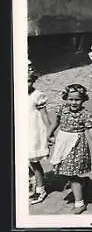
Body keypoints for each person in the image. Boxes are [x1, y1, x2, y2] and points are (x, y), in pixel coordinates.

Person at [47, 84, 92, 214]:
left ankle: (80, 203)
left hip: (76, 145)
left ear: (83, 99)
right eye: (71, 99)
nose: (74, 102)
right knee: (68, 172)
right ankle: (82, 182)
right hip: (63, 143)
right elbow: (56, 122)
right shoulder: (63, 109)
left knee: (71, 174)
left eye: (77, 99)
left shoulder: (85, 114)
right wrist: (48, 134)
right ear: (66, 98)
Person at [28, 63, 51, 204]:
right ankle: (30, 184)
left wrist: (50, 132)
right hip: (21, 131)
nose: (26, 84)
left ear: (33, 80)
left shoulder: (37, 95)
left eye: (29, 80)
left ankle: (40, 189)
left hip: (33, 133)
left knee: (34, 162)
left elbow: (44, 115)